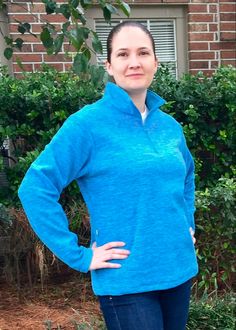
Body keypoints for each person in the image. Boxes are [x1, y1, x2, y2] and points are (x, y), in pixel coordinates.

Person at [18, 21, 198, 330]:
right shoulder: (87, 125)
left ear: (156, 62)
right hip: (126, 279)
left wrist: (187, 224)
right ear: (109, 65)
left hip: (177, 269)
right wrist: (79, 256)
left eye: (143, 53)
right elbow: (35, 188)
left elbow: (185, 178)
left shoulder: (170, 127)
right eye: (123, 54)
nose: (134, 62)